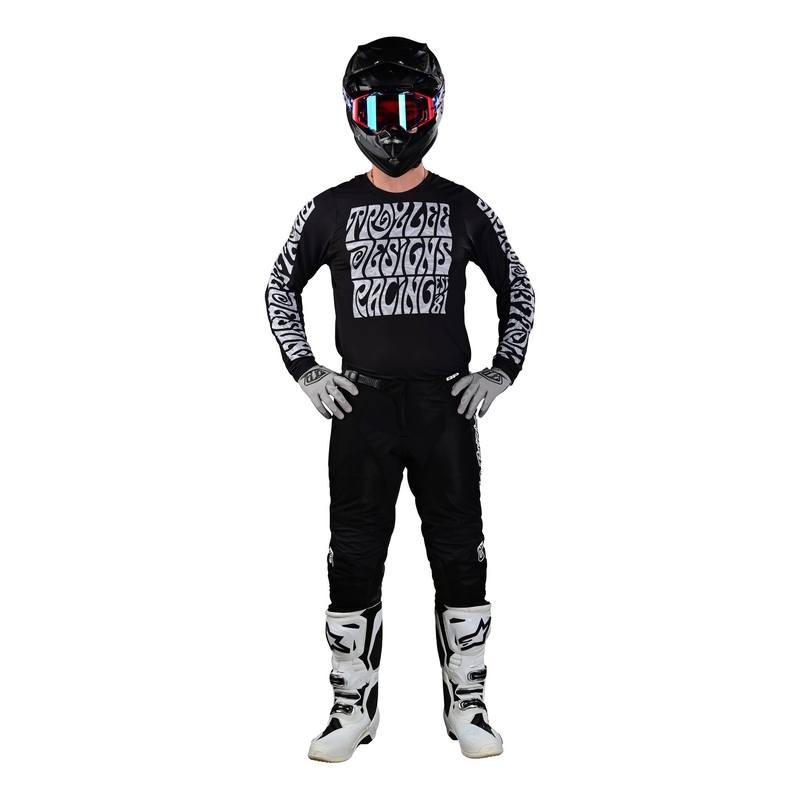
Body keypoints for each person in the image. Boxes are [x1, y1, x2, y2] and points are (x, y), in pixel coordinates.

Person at [265, 36, 535, 762]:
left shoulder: (462, 205)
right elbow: (280, 284)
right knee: (352, 556)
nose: (394, 128)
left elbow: (517, 283)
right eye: (379, 112)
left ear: (434, 111)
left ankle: (469, 705)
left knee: (460, 554)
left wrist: (501, 371)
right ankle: (350, 708)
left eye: (409, 110)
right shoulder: (328, 209)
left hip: (447, 407)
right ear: (353, 114)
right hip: (362, 409)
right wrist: (307, 371)